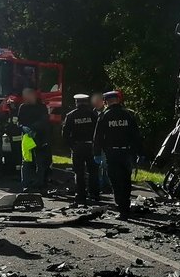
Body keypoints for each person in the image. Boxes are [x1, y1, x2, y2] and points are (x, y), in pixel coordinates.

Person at [92, 91, 143, 220]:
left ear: (106, 101)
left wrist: (97, 153)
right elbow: (136, 136)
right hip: (126, 153)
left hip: (111, 153)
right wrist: (139, 153)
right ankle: (126, 209)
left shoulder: (104, 116)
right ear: (118, 100)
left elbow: (97, 137)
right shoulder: (128, 114)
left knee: (115, 181)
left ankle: (121, 209)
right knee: (126, 181)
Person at [61, 94, 99, 205]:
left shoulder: (71, 115)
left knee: (79, 172)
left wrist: (72, 146)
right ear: (86, 102)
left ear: (76, 102)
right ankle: (94, 194)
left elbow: (65, 134)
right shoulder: (93, 115)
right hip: (91, 146)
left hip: (77, 147)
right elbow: (98, 131)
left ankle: (80, 195)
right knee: (93, 171)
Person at [17, 88, 51, 193]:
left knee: (40, 162)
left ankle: (39, 184)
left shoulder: (41, 107)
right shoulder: (22, 107)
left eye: (27, 95)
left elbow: (45, 121)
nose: (25, 98)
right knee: (26, 162)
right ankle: (26, 184)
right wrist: (23, 127)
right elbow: (19, 122)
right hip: (27, 139)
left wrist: (33, 128)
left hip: (40, 138)